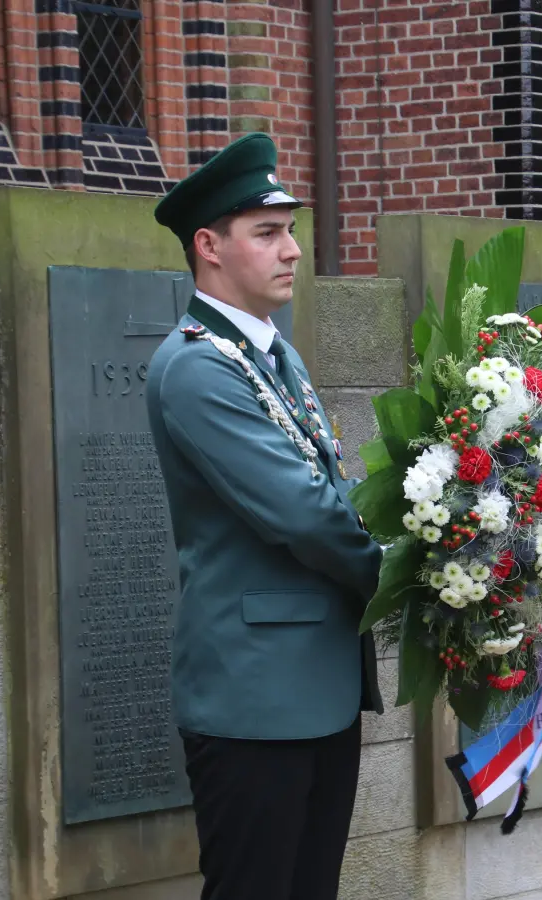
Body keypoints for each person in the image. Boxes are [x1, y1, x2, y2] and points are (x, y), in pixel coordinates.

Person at [145, 132, 382, 900]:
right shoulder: (195, 367)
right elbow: (303, 514)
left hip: (315, 689)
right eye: (268, 233)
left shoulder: (274, 354)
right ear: (209, 246)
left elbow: (331, 489)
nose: (292, 252)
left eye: (292, 231)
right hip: (254, 702)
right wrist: (412, 575)